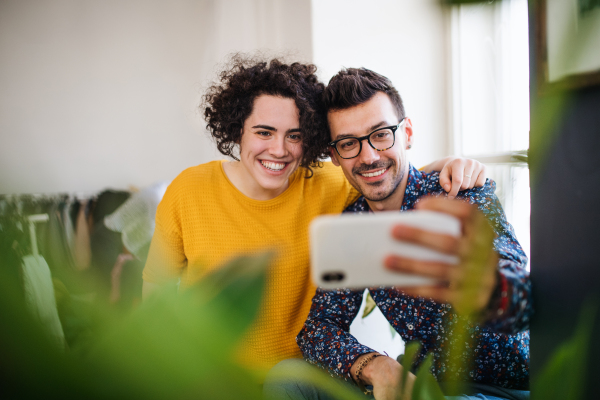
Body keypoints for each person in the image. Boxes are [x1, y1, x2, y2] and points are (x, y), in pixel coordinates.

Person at [142, 57, 487, 376]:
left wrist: (450, 165)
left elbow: (383, 176)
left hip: (300, 379)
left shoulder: (329, 183)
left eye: (294, 136)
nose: (279, 150)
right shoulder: (189, 189)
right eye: (264, 132)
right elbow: (157, 287)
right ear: (237, 130)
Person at [264, 68, 531, 400]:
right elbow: (318, 329)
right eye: (349, 143)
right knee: (290, 377)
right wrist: (374, 365)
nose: (370, 156)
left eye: (381, 134)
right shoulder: (354, 228)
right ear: (334, 156)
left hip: (502, 389)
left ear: (406, 133)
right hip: (418, 385)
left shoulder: (462, 193)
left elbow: (522, 292)